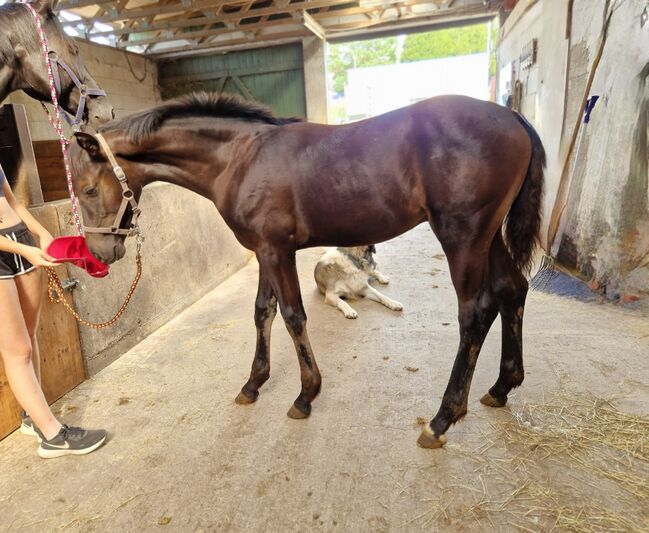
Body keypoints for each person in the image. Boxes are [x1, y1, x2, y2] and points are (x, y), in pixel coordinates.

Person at [0, 164, 106, 458]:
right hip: (9, 251)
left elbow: (12, 201)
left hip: (21, 239)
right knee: (17, 350)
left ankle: (31, 416)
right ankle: (53, 436)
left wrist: (42, 234)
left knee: (30, 336)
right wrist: (24, 250)